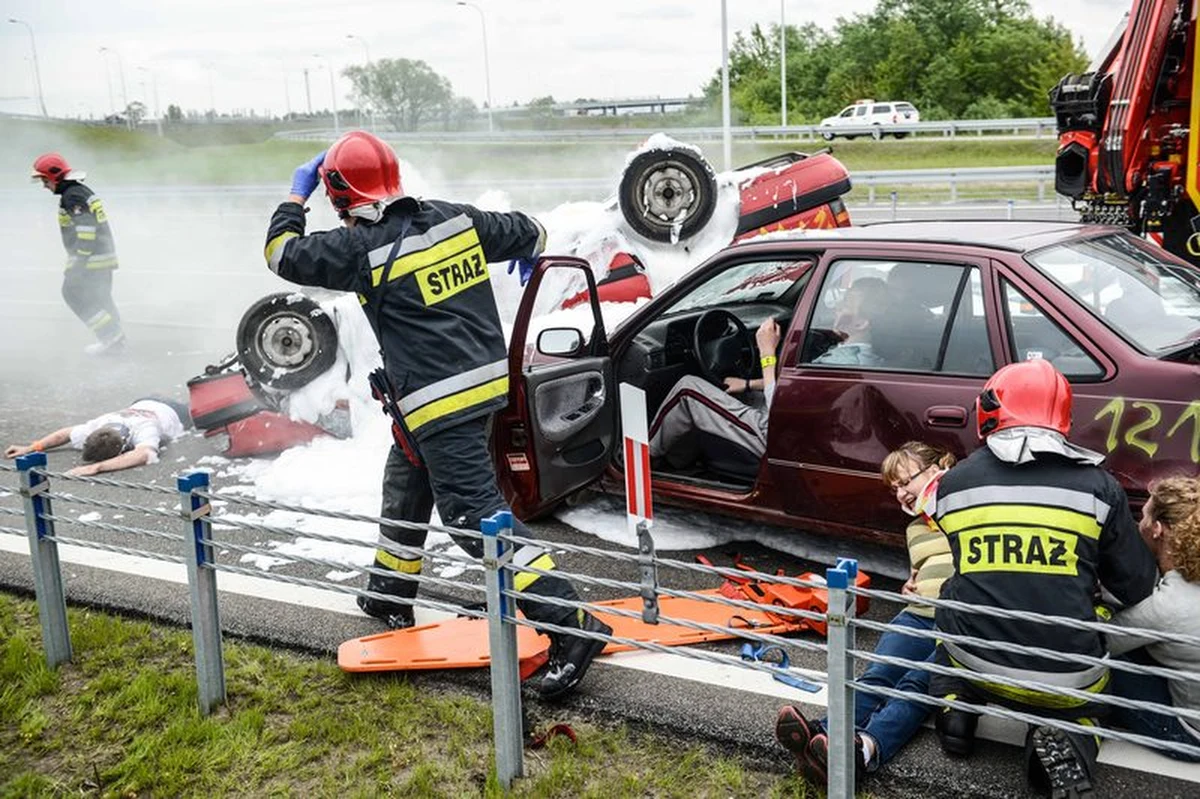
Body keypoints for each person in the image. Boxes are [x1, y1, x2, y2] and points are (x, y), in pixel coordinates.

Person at [263, 130, 612, 700]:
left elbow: (282, 254)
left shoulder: (360, 249)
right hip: (480, 391)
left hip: (439, 402)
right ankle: (390, 591)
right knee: (407, 477)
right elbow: (532, 230)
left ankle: (571, 625)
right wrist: (527, 253)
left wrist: (295, 196)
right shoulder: (458, 220)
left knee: (475, 516)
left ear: (342, 197)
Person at [928, 359, 1157, 798]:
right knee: (1092, 701)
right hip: (1066, 678)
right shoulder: (1100, 488)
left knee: (952, 595)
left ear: (989, 410)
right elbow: (1135, 586)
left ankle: (955, 707)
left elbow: (976, 570)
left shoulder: (953, 484)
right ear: (1062, 417)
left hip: (974, 660)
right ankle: (1070, 736)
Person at [775, 441, 956, 787]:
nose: (900, 493)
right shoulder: (916, 528)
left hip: (956, 621)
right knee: (878, 675)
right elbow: (923, 570)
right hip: (918, 614)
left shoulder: (966, 508)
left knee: (916, 684)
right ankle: (823, 736)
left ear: (935, 471)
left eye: (905, 482)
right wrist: (912, 584)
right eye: (894, 488)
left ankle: (864, 751)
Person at [648, 276, 887, 470]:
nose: (836, 308)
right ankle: (678, 461)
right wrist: (749, 384)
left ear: (861, 323)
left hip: (779, 435)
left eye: (846, 306)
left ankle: (645, 459)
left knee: (688, 389)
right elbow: (799, 388)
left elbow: (779, 409)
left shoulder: (842, 362)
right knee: (733, 394)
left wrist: (766, 353)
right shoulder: (867, 356)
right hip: (807, 428)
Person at [1105, 476, 1200, 761]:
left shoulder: (1168, 605)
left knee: (1099, 667)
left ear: (1157, 529)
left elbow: (1099, 642)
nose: (1140, 524)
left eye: (1144, 516)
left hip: (1189, 736)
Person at [31, 153, 125, 355]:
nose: (44, 186)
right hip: (103, 256)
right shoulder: (79, 190)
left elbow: (86, 230)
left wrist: (79, 261)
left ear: (54, 176)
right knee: (101, 298)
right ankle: (115, 339)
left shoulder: (72, 196)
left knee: (73, 294)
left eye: (45, 180)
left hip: (91, 259)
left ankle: (110, 336)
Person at [4, 397, 191, 476]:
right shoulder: (99, 425)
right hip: (145, 400)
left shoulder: (145, 428)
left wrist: (97, 467)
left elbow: (143, 455)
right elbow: (64, 435)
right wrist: (31, 448)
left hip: (176, 411)